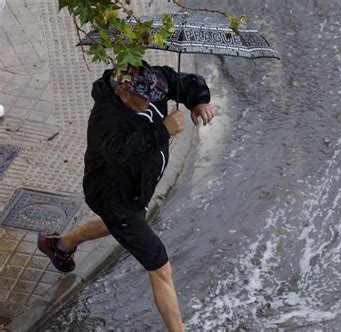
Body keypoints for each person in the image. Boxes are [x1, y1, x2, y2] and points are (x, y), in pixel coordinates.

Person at [37, 61, 214, 331]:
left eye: (155, 95)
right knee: (160, 266)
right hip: (114, 196)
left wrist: (198, 101)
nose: (152, 101)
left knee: (114, 226)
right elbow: (120, 154)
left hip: (135, 190)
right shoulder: (105, 118)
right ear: (122, 93)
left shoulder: (152, 81)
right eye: (144, 98)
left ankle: (59, 245)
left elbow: (183, 82)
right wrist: (163, 130)